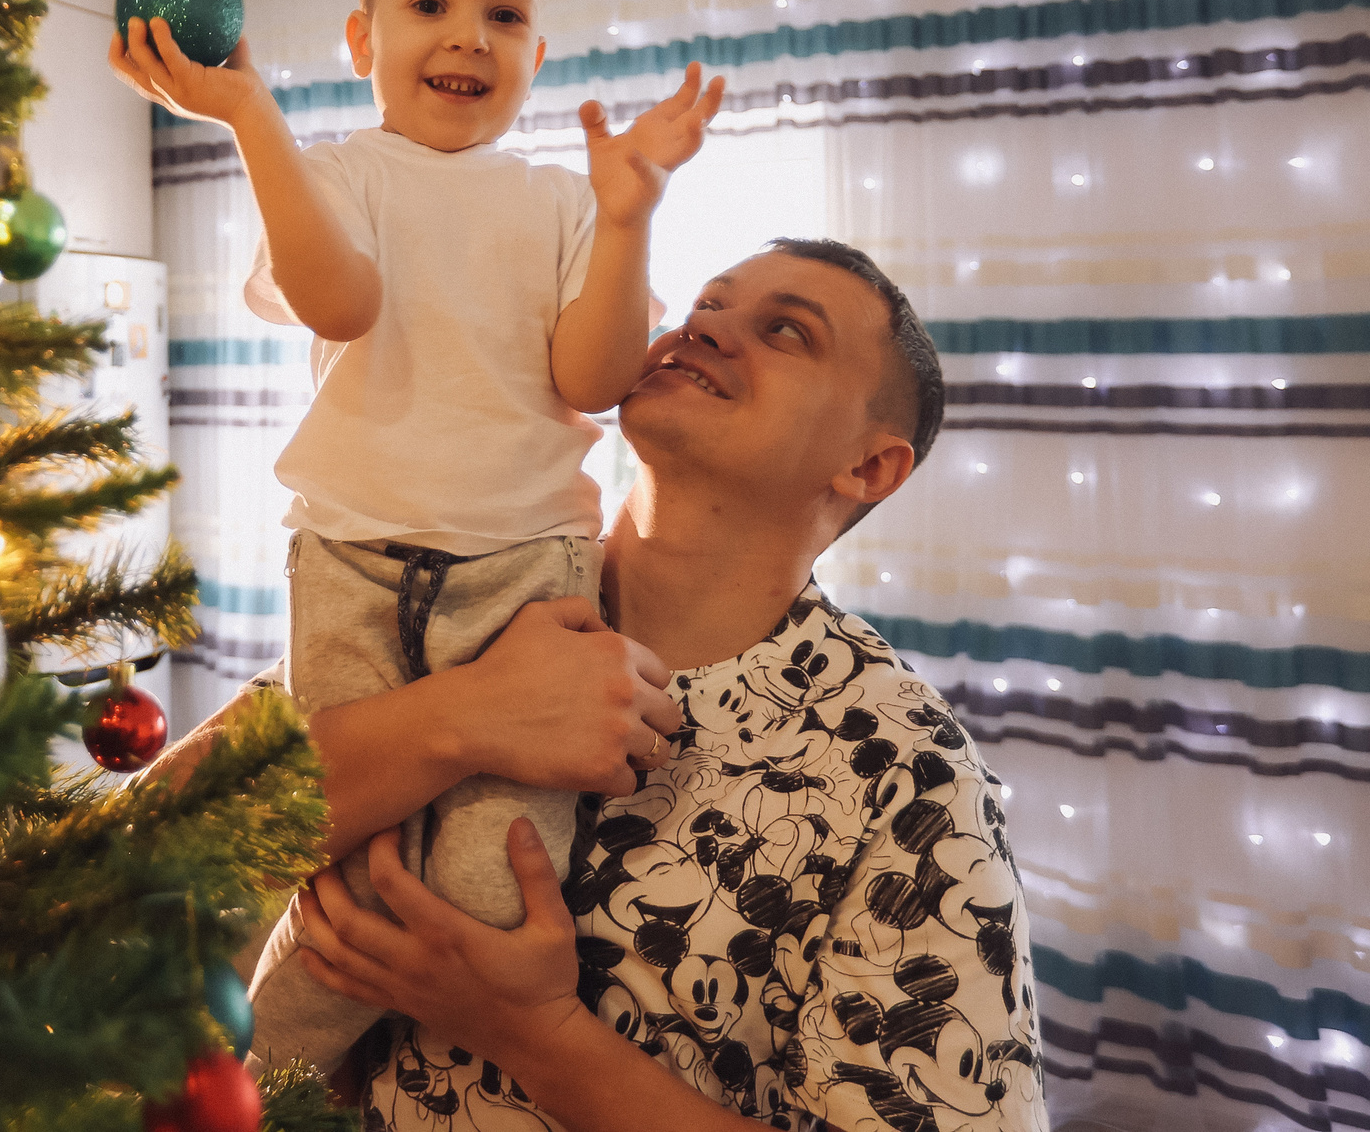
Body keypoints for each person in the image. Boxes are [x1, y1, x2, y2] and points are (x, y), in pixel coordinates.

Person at [107, 0, 724, 1072]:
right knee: (334, 867)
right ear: (363, 40)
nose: (467, 37)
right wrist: (251, 119)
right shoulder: (337, 176)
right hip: (353, 561)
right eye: (430, 5)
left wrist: (629, 214)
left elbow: (595, 376)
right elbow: (341, 299)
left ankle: (269, 1080)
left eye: (503, 15)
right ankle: (233, 1082)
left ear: (536, 55)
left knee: (488, 891)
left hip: (525, 579)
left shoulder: (565, 201)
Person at [277, 239, 1047, 1131]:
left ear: (869, 467)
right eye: (707, 304)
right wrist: (460, 717)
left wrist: (535, 1033)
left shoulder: (911, 778)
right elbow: (178, 822)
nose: (702, 328)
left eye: (787, 331)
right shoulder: (459, 585)